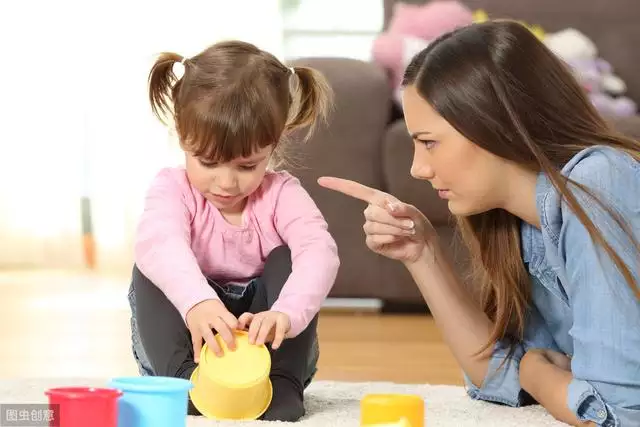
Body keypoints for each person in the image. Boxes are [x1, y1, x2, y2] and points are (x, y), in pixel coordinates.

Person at [319, 21, 640, 427]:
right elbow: (497, 379)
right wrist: (421, 254)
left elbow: (614, 413)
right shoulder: (521, 225)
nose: (418, 168)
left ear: (495, 124)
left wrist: (536, 373)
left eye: (429, 142)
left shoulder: (598, 183)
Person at [127, 40, 340, 422]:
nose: (226, 183)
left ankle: (282, 383)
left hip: (266, 358)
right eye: (208, 162)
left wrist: (287, 314)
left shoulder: (282, 194)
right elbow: (160, 242)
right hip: (189, 347)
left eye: (246, 166)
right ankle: (181, 383)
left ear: (273, 145)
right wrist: (197, 302)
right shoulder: (172, 189)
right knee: (152, 261)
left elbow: (319, 251)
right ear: (181, 135)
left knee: (289, 257)